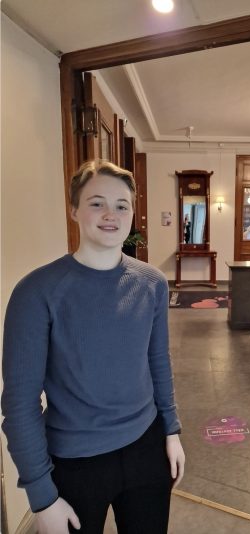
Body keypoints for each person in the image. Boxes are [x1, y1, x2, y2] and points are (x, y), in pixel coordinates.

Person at [1, 160, 185, 534]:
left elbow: (157, 361)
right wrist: (41, 495)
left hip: (147, 448)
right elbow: (20, 403)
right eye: (96, 203)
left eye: (122, 205)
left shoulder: (151, 282)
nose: (110, 215)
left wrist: (171, 430)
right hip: (75, 463)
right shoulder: (36, 292)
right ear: (74, 209)